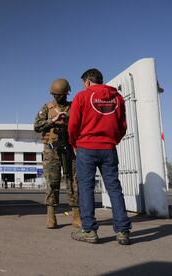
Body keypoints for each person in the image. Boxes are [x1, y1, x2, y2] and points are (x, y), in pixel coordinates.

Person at [68, 68, 131, 245]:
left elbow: (73, 125)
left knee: (87, 189)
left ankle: (89, 230)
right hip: (108, 148)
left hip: (86, 148)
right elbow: (122, 124)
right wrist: (112, 141)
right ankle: (123, 232)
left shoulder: (82, 97)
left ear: (87, 81)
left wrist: (75, 144)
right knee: (114, 188)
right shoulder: (117, 97)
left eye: (83, 84)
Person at [34, 79, 81, 229]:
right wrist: (52, 121)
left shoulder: (74, 107)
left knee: (73, 180)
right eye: (55, 95)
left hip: (70, 148)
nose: (57, 97)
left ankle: (76, 215)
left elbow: (82, 124)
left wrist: (69, 119)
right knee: (52, 181)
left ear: (67, 93)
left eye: (60, 95)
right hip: (51, 148)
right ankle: (51, 215)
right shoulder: (47, 108)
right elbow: (37, 126)